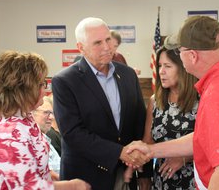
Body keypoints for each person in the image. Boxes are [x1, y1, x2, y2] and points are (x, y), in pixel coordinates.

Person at [127, 16, 219, 189]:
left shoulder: (218, 96)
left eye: (180, 51)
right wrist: (151, 150)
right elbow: (207, 138)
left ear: (192, 56)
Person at [52, 17, 149, 190]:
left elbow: (139, 124)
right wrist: (120, 153)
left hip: (126, 174)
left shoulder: (128, 75)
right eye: (97, 42)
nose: (106, 47)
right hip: (85, 178)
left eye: (108, 39)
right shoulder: (65, 81)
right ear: (80, 48)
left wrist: (142, 171)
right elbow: (73, 133)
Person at [0, 50, 91, 190]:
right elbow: (27, 187)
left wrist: (48, 174)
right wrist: (73, 186)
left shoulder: (15, 112)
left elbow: (24, 162)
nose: (45, 90)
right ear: (24, 89)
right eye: (42, 84)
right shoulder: (7, 132)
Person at [140, 40, 198, 189]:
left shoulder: (202, 100)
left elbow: (211, 144)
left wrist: (184, 158)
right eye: (159, 66)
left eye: (167, 66)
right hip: (162, 182)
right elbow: (148, 142)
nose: (161, 72)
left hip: (194, 180)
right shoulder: (155, 101)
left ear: (183, 68)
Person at [33, 96, 61, 180]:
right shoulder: (33, 141)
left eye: (52, 113)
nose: (51, 117)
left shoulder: (45, 139)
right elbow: (50, 176)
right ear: (32, 113)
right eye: (46, 113)